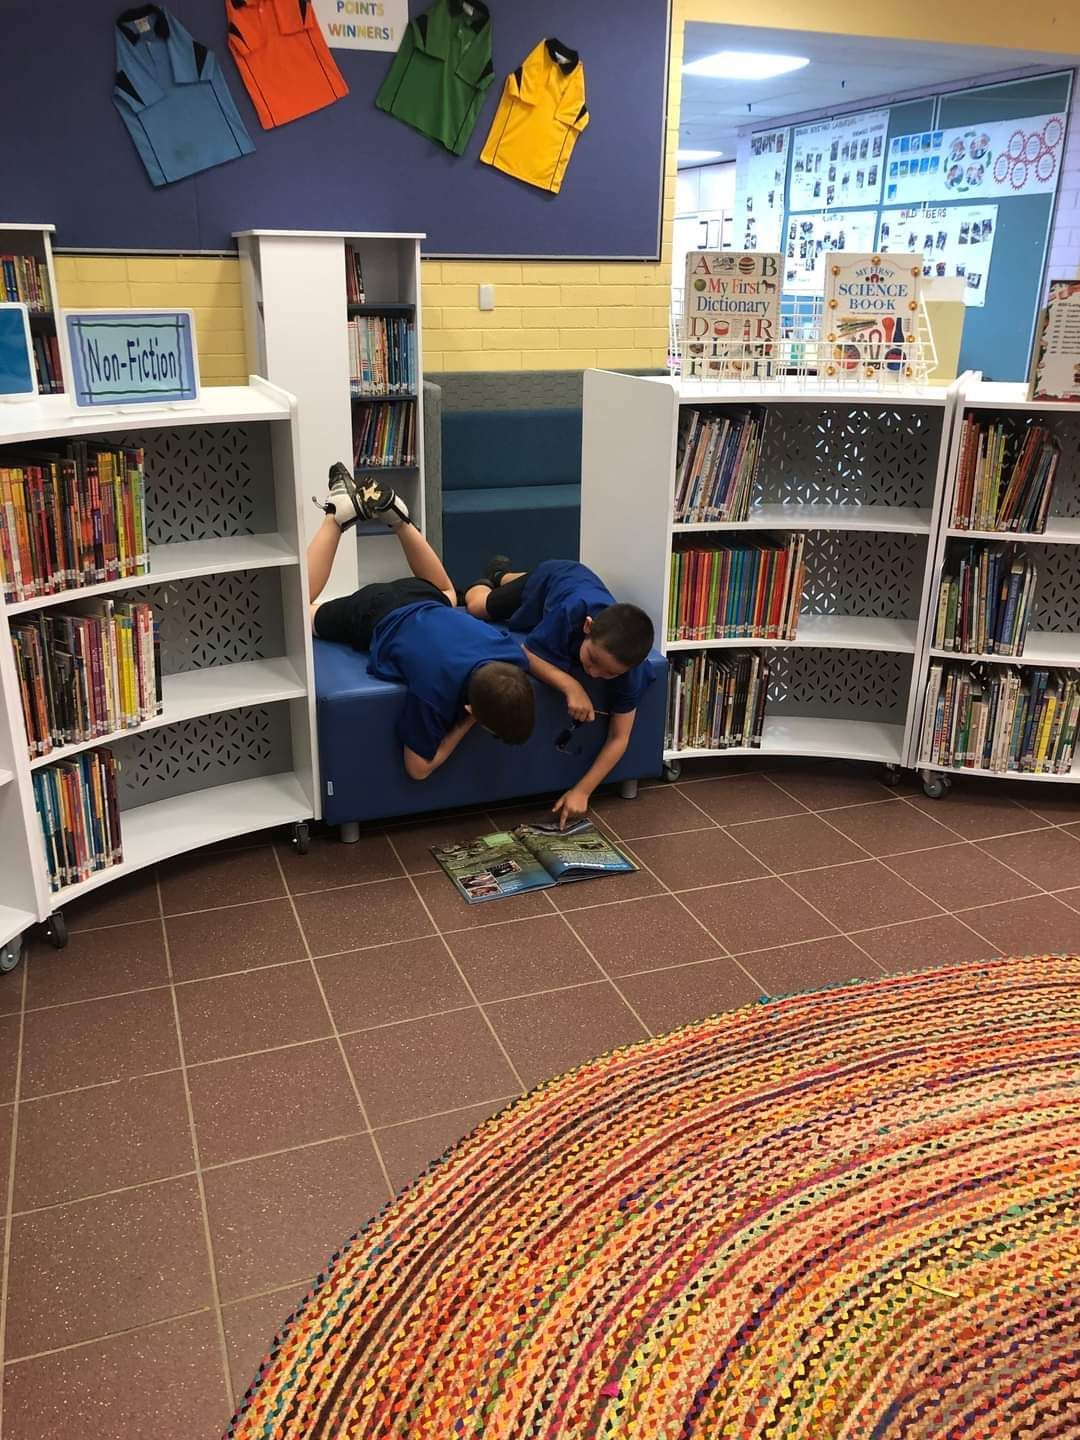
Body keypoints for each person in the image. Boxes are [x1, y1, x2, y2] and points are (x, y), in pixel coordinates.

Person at [309, 467, 534, 780]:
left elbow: (532, 658)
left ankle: (398, 520)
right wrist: (467, 722)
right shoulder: (434, 691)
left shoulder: (514, 655)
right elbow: (418, 769)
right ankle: (337, 514)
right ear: (471, 710)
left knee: (448, 594)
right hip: (375, 611)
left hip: (426, 597)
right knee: (303, 615)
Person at [464, 558, 654, 827]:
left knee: (516, 583)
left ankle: (503, 572)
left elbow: (619, 736)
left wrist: (583, 790)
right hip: (552, 579)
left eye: (610, 674)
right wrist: (571, 686)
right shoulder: (570, 612)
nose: (595, 674)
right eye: (593, 660)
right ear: (587, 627)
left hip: (572, 580)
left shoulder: (630, 669)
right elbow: (529, 653)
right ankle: (489, 577)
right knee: (478, 606)